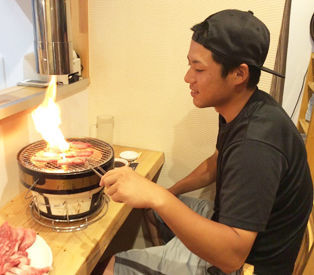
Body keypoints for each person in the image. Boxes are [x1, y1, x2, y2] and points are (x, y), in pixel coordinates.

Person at [100, 9, 313, 275]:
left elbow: (232, 257)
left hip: (245, 265)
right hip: (235, 233)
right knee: (154, 209)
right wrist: (167, 194)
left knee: (113, 266)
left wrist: (157, 196)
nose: (188, 77)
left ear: (238, 74)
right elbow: (215, 162)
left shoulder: (254, 144)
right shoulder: (244, 107)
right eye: (190, 65)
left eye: (198, 68)